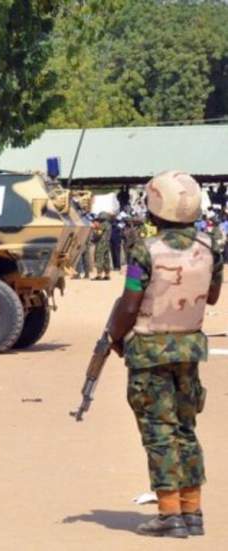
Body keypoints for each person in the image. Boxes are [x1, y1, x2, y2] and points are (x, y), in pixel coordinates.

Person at [108, 171, 221, 538]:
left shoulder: (145, 249)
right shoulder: (209, 247)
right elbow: (214, 295)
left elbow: (129, 303)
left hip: (149, 352)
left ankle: (168, 513)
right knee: (186, 429)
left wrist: (115, 336)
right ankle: (192, 511)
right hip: (190, 350)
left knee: (159, 432)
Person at [92, 214, 112, 280]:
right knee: (106, 259)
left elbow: (98, 234)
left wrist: (95, 229)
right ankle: (107, 274)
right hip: (107, 243)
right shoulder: (109, 224)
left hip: (101, 243)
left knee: (99, 257)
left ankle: (99, 274)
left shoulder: (103, 225)